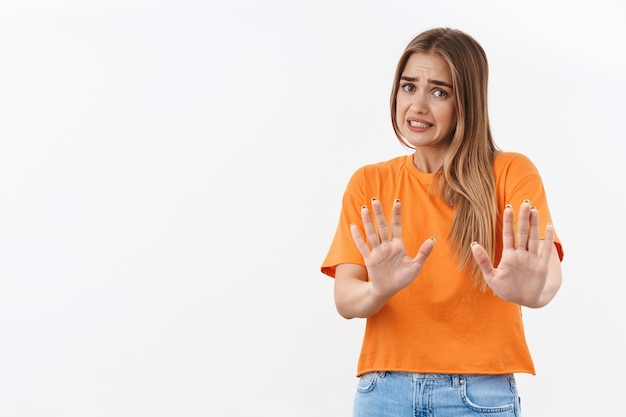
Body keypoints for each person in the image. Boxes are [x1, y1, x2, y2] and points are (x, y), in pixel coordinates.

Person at [320, 27, 564, 417]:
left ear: (467, 101)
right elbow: (346, 299)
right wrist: (379, 289)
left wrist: (531, 292)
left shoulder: (511, 172)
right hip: (385, 392)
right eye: (408, 86)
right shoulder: (368, 182)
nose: (417, 105)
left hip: (478, 396)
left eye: (439, 92)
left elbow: (545, 278)